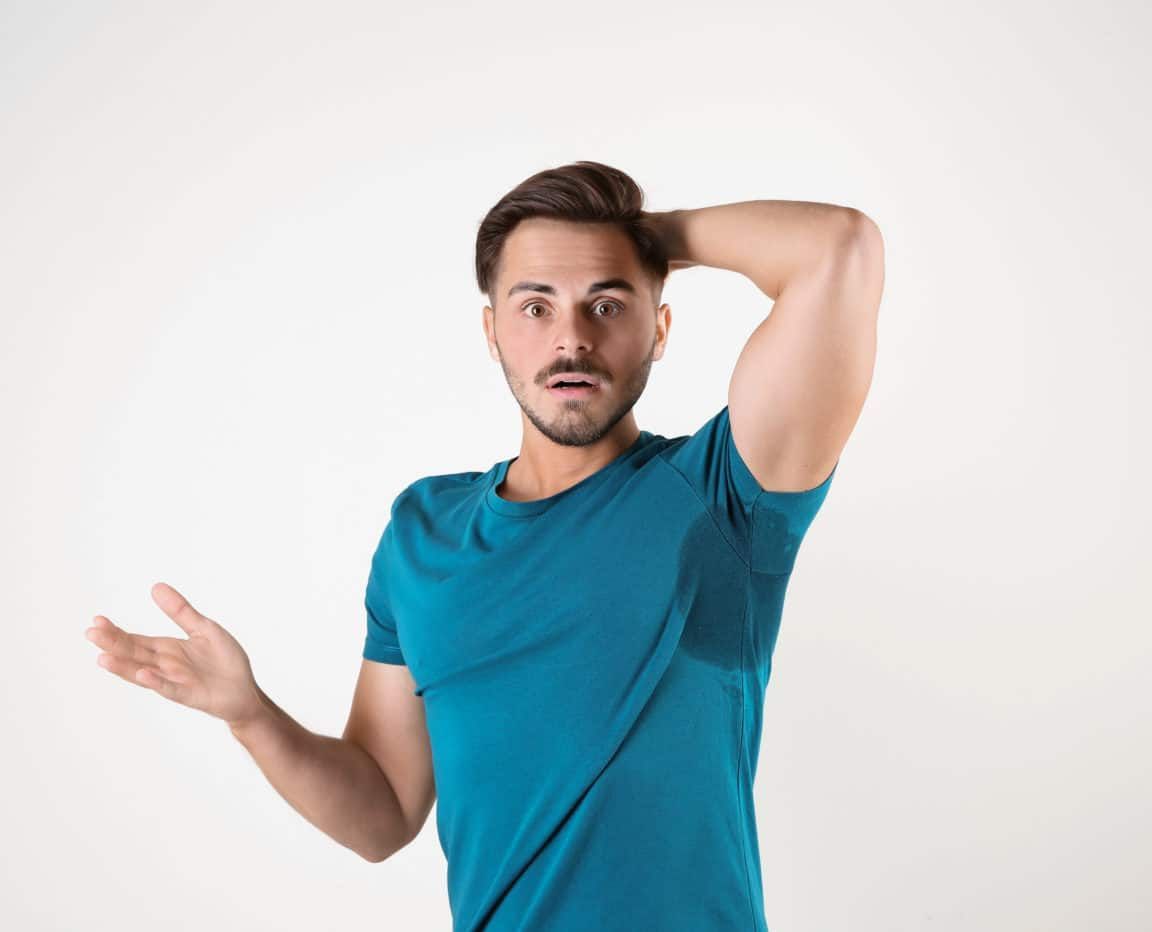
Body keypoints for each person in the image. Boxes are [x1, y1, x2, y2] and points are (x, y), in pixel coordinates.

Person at [86, 160, 884, 931]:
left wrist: (646, 235)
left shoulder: (723, 498)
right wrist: (252, 716)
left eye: (606, 305)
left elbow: (838, 250)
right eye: (535, 307)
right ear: (492, 330)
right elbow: (382, 814)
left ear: (660, 326)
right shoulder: (423, 532)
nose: (570, 338)